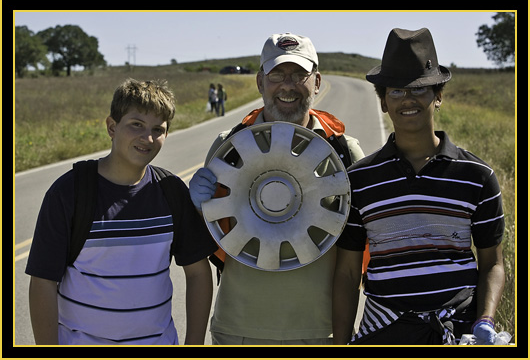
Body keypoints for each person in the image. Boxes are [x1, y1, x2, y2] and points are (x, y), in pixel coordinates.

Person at [332, 28, 505, 345]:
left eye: (419, 90)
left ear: (438, 96)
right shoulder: (358, 180)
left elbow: (492, 262)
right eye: (395, 91)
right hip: (383, 334)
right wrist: (342, 344)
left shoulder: (477, 175)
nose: (407, 99)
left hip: (459, 332)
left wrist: (485, 320)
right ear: (383, 101)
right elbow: (346, 273)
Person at [189, 32, 365, 345]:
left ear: (317, 82)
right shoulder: (228, 147)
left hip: (319, 332)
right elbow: (207, 243)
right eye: (277, 75)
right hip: (239, 329)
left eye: (300, 74)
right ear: (260, 82)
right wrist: (196, 209)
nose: (288, 85)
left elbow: (363, 251)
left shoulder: (344, 152)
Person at [25, 78, 218, 345]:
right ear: (112, 127)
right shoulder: (69, 193)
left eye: (157, 129)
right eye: (136, 125)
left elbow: (197, 272)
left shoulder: (171, 191)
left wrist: (193, 344)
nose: (147, 138)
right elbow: (43, 282)